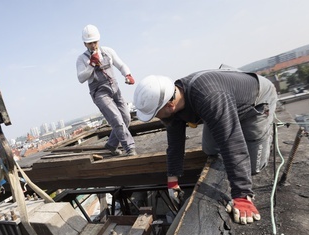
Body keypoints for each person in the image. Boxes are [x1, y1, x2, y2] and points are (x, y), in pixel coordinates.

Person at [133, 67, 277, 224]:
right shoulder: (173, 98)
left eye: (155, 113)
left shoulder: (208, 97)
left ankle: (262, 136)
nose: (156, 117)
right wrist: (172, 179)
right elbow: (175, 143)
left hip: (256, 101)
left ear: (169, 105)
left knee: (253, 168)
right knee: (210, 149)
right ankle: (229, 122)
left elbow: (231, 141)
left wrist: (241, 195)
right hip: (223, 103)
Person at [76, 24, 137, 156]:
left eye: (95, 42)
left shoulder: (107, 51)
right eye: (90, 43)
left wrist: (127, 74)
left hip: (115, 89)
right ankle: (129, 147)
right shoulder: (82, 59)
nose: (93, 45)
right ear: (85, 44)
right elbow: (81, 78)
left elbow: (120, 64)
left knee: (126, 118)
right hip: (100, 93)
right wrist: (91, 64)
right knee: (116, 119)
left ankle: (111, 145)